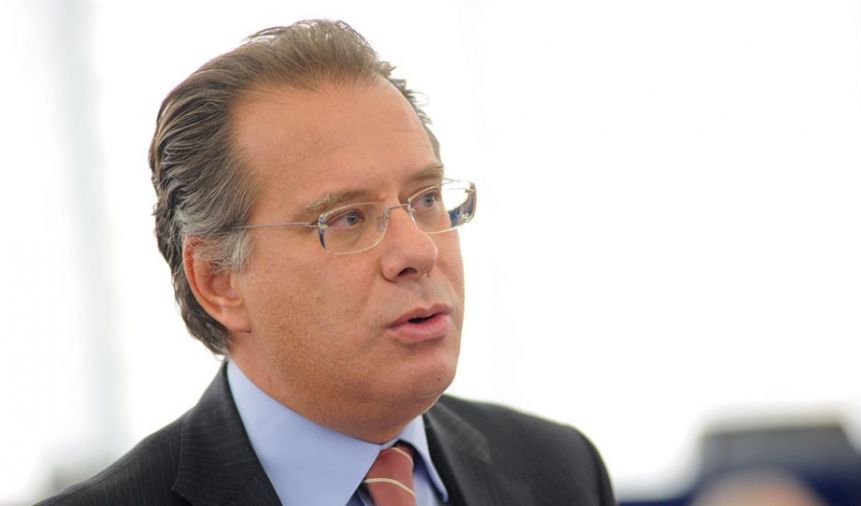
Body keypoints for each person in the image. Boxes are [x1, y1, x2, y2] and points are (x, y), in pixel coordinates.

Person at [38, 19, 616, 506]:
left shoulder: (561, 470)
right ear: (219, 281)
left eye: (425, 199)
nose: (419, 251)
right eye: (347, 218)